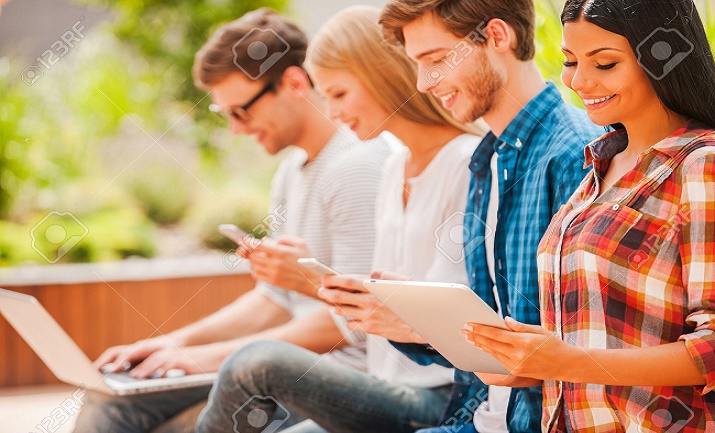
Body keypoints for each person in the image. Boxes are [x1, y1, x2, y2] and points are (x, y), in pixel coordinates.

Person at [73, 8, 392, 433]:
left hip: (339, 378)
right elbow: (275, 300)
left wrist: (209, 357)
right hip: (283, 366)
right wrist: (174, 344)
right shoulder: (292, 172)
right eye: (225, 116)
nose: (236, 130)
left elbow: (352, 321)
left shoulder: (356, 167)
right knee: (111, 397)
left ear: (295, 84)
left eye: (241, 111)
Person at [195, 6, 484, 433]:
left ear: (382, 75)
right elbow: (377, 306)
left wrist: (313, 282)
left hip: (442, 393)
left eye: (340, 94)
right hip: (388, 382)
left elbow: (457, 317)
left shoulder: (462, 164)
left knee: (255, 363)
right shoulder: (393, 168)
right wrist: (312, 279)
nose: (330, 112)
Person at [461, 0, 715, 431]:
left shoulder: (700, 165)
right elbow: (594, 337)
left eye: (605, 63)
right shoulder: (597, 169)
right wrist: (534, 363)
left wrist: (575, 363)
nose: (579, 81)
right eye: (570, 61)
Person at [378, 0, 605, 431]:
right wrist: (418, 318)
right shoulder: (488, 162)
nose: (424, 84)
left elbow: (591, 353)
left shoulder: (576, 154)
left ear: (499, 36)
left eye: (438, 60)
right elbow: (495, 341)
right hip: (479, 418)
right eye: (418, 65)